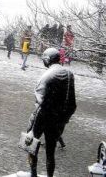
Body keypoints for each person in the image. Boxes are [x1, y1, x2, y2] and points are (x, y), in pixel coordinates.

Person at [24, 47, 77, 177]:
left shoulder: (46, 76)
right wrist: (63, 120)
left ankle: (33, 174)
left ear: (47, 59)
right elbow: (72, 104)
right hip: (57, 118)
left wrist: (31, 129)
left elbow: (40, 105)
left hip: (42, 116)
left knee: (32, 148)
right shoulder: (69, 74)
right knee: (50, 153)